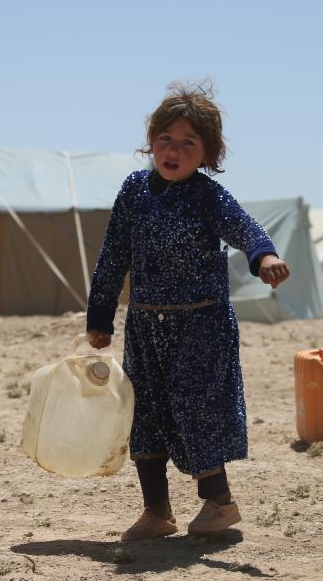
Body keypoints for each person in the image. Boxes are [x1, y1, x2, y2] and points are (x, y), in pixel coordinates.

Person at [85, 81, 291, 541]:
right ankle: (157, 512)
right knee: (145, 413)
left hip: (202, 324)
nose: (173, 151)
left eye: (187, 143)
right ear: (151, 142)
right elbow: (113, 254)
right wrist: (100, 317)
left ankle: (218, 503)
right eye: (165, 140)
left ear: (207, 153)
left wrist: (265, 257)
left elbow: (244, 227)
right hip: (145, 323)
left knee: (195, 408)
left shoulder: (206, 195)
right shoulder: (135, 190)